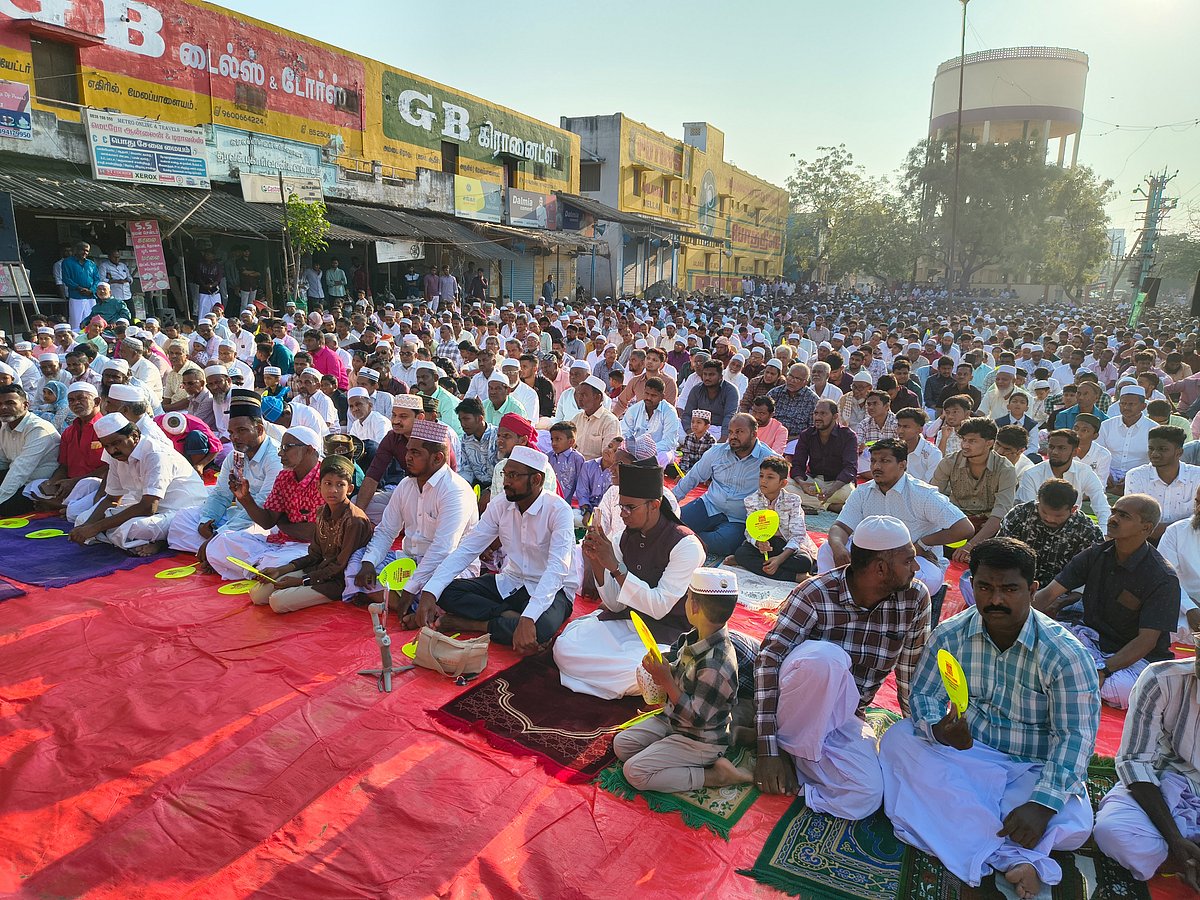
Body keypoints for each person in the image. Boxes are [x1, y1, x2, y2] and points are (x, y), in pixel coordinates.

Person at [879, 538, 1100, 899]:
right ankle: (1014, 857)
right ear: (972, 584)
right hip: (968, 756)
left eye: (1009, 589)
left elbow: (1076, 738)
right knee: (898, 740)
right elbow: (923, 697)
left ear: (1031, 590)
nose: (995, 599)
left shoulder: (1064, 654)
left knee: (1073, 825)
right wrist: (940, 730)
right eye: (985, 587)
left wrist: (1042, 804)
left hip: (1030, 768)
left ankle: (971, 834)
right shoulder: (951, 634)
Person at [753, 516, 929, 819]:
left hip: (844, 718)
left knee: (866, 796)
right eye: (909, 560)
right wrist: (766, 749)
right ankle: (780, 744)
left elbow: (911, 673)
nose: (916, 568)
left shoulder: (915, 597)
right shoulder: (815, 593)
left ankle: (794, 761)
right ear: (881, 568)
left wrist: (922, 738)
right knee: (828, 660)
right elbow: (768, 661)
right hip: (797, 706)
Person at [555, 462, 705, 699]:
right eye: (621, 506)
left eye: (630, 507)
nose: (623, 513)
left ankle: (646, 681)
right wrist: (596, 561)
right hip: (626, 622)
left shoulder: (686, 546)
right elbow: (615, 605)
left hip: (666, 634)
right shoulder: (624, 537)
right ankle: (634, 685)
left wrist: (615, 566)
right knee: (565, 648)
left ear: (654, 505)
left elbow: (658, 607)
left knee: (641, 670)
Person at [415, 446, 578, 652]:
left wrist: (529, 617)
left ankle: (475, 624)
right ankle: (507, 617)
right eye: (505, 474)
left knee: (540, 628)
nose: (506, 482)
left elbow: (557, 569)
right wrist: (430, 591)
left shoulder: (558, 510)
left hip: (554, 590)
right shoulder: (500, 504)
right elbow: (467, 549)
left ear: (536, 480)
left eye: (513, 475)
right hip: (512, 581)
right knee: (446, 591)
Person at [1034, 494, 1181, 708]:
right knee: (1040, 643)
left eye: (1123, 515)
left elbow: (1145, 642)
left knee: (1127, 690)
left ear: (1146, 528)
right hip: (1090, 640)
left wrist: (1103, 669)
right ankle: (1076, 682)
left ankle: (1071, 682)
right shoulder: (1095, 554)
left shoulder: (1162, 577)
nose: (1113, 519)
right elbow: (1048, 594)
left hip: (1132, 659)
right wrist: (1016, 623)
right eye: (1113, 512)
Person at [613, 568, 753, 793]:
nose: (685, 602)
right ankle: (668, 754)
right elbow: (680, 679)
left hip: (699, 739)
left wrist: (666, 679)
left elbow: (697, 718)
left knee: (635, 772)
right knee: (622, 745)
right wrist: (661, 669)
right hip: (673, 722)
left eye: (687, 598)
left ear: (695, 606)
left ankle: (715, 776)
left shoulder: (718, 663)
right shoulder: (694, 637)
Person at [1093, 652, 1200, 887]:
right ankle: (1182, 855)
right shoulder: (1162, 679)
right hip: (1169, 781)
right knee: (1112, 832)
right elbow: (1134, 761)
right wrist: (1174, 839)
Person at [347, 420, 478, 608]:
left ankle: (398, 600)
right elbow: (386, 531)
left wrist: (411, 587)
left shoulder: (455, 491)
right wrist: (369, 562)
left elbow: (443, 549)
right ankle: (406, 605)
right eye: (408, 450)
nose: (407, 457)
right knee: (357, 562)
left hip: (448, 566)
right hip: (409, 561)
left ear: (438, 458)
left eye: (416, 453)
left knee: (442, 591)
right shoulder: (406, 485)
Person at [819, 439, 972, 597]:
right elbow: (841, 527)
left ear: (902, 465)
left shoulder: (922, 494)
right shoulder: (862, 492)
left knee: (927, 579)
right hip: (871, 556)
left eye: (885, 461)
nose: (876, 466)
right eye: (873, 461)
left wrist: (923, 543)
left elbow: (964, 528)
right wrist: (839, 548)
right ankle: (830, 596)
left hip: (914, 560)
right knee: (828, 548)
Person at [167, 394, 282, 571]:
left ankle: (217, 549)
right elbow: (221, 493)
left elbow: (263, 506)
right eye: (231, 433)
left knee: (233, 540)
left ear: (259, 429)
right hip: (235, 519)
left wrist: (219, 535)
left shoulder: (274, 458)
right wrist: (207, 521)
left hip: (261, 522)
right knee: (182, 519)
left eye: (242, 431)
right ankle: (217, 551)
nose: (235, 437)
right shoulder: (236, 455)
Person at [66, 414, 208, 555]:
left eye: (116, 443)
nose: (111, 451)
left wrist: (96, 528)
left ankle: (159, 541)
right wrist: (87, 526)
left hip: (182, 512)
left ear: (134, 436)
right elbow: (112, 499)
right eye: (106, 446)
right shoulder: (116, 457)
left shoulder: (156, 454)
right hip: (147, 510)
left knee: (136, 528)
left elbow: (148, 507)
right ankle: (136, 541)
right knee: (82, 519)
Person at [250, 455, 372, 614]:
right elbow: (314, 555)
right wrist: (281, 570)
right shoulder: (321, 512)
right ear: (318, 486)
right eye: (328, 484)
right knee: (258, 595)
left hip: (337, 581)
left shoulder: (355, 521)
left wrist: (301, 581)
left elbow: (340, 566)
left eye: (340, 485)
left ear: (349, 489)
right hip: (318, 570)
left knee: (277, 601)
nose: (333, 490)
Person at [202, 425, 324, 581]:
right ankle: (260, 570)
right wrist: (246, 499)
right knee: (222, 542)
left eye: (287, 448)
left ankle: (260, 569)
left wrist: (281, 523)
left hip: (309, 548)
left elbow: (314, 533)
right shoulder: (284, 476)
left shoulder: (324, 480)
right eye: (281, 447)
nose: (280, 453)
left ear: (308, 450)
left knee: (276, 562)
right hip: (281, 541)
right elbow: (267, 522)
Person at [960, 478, 1105, 608]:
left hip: (1059, 596)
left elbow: (1089, 579)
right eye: (1044, 512)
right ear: (1038, 502)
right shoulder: (1020, 514)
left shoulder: (1087, 531)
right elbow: (999, 554)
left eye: (1058, 515)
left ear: (1073, 510)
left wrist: (1059, 602)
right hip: (1012, 586)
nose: (1050, 519)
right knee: (970, 580)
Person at [672, 413, 773, 557]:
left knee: (723, 544)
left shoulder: (768, 459)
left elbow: (777, 494)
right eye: (731, 432)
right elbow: (693, 477)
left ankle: (686, 538)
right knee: (674, 525)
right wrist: (670, 504)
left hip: (739, 518)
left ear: (754, 434)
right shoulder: (717, 452)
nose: (733, 436)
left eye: (739, 432)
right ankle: (686, 537)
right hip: (709, 505)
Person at [931, 416, 1018, 562]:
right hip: (955, 522)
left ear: (989, 443)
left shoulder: (1005, 469)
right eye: (964, 440)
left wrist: (971, 545)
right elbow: (932, 498)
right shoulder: (949, 462)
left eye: (972, 441)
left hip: (989, 527)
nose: (965, 445)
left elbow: (1000, 515)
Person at [732, 455, 816, 581]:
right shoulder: (751, 500)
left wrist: (779, 559)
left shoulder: (793, 501)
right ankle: (794, 577)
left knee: (804, 562)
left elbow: (798, 535)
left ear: (783, 483)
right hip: (765, 545)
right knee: (742, 554)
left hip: (786, 546)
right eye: (761, 476)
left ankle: (761, 564)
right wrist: (759, 543)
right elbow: (750, 531)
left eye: (770, 477)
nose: (763, 481)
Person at [24, 382, 105, 511]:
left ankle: (61, 506)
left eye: (81, 398)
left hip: (96, 484)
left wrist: (74, 482)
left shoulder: (106, 428)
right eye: (71, 400)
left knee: (86, 486)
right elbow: (64, 466)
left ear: (96, 401)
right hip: (70, 483)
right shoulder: (69, 432)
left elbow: (110, 468)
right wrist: (53, 482)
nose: (75, 403)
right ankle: (61, 503)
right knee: (33, 487)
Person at [1017, 428, 1112, 529]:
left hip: (1071, 528)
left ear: (1075, 452)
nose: (1054, 452)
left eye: (1062, 448)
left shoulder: (1085, 472)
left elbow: (1101, 506)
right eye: (1051, 447)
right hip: (1036, 528)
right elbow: (1029, 512)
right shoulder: (1032, 474)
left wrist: (1105, 534)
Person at [1124, 425, 1200, 539]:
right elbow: (1132, 518)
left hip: (1189, 540)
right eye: (1151, 448)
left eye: (1162, 449)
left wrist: (1170, 531)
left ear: (1179, 452)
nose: (1154, 454)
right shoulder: (1136, 476)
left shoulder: (1197, 476)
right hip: (1145, 539)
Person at [0, 384, 62, 515]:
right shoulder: (5, 427)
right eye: (0, 403)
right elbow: (2, 462)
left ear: (25, 405)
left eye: (10, 403)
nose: (3, 407)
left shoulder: (38, 428)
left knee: (5, 507)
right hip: (16, 477)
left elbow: (20, 469)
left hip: (38, 484)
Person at [1157, 485, 1200, 638]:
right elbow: (1164, 578)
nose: (1199, 509)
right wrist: (1189, 608)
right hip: (1182, 608)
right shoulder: (1176, 532)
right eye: (1197, 503)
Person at [1098, 384, 1154, 493]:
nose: (1126, 407)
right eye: (1123, 403)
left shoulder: (1153, 429)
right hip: (1107, 475)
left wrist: (1133, 476)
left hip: (1140, 476)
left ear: (1143, 406)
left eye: (1131, 404)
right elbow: (1098, 452)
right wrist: (1105, 472)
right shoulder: (1106, 426)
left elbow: (1155, 461)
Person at [621, 376, 682, 467]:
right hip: (635, 450)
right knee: (619, 454)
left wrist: (647, 451)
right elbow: (625, 433)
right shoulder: (634, 409)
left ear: (662, 397)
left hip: (659, 452)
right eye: (647, 393)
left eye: (653, 395)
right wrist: (635, 449)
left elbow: (669, 442)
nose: (648, 398)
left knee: (663, 457)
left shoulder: (670, 412)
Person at [682, 360, 740, 438]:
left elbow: (729, 416)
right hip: (699, 428)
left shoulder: (731, 390)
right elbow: (687, 414)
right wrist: (691, 434)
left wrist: (723, 438)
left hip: (720, 429)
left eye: (711, 375)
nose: (707, 378)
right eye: (705, 374)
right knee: (677, 424)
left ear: (720, 376)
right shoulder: (697, 389)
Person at [571, 376, 621, 460]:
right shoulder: (577, 419)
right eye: (579, 394)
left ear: (598, 397)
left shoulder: (610, 422)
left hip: (596, 469)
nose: (579, 398)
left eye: (584, 395)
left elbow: (608, 457)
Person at [894, 407, 942, 483]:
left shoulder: (933, 454)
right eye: (899, 426)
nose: (900, 431)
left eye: (906, 427)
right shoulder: (891, 450)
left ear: (920, 429)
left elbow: (929, 485)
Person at [678, 409, 716, 474]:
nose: (694, 425)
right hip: (690, 469)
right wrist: (683, 471)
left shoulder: (710, 440)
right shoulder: (688, 438)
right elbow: (685, 458)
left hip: (704, 471)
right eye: (692, 422)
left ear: (707, 426)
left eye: (698, 422)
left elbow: (709, 462)